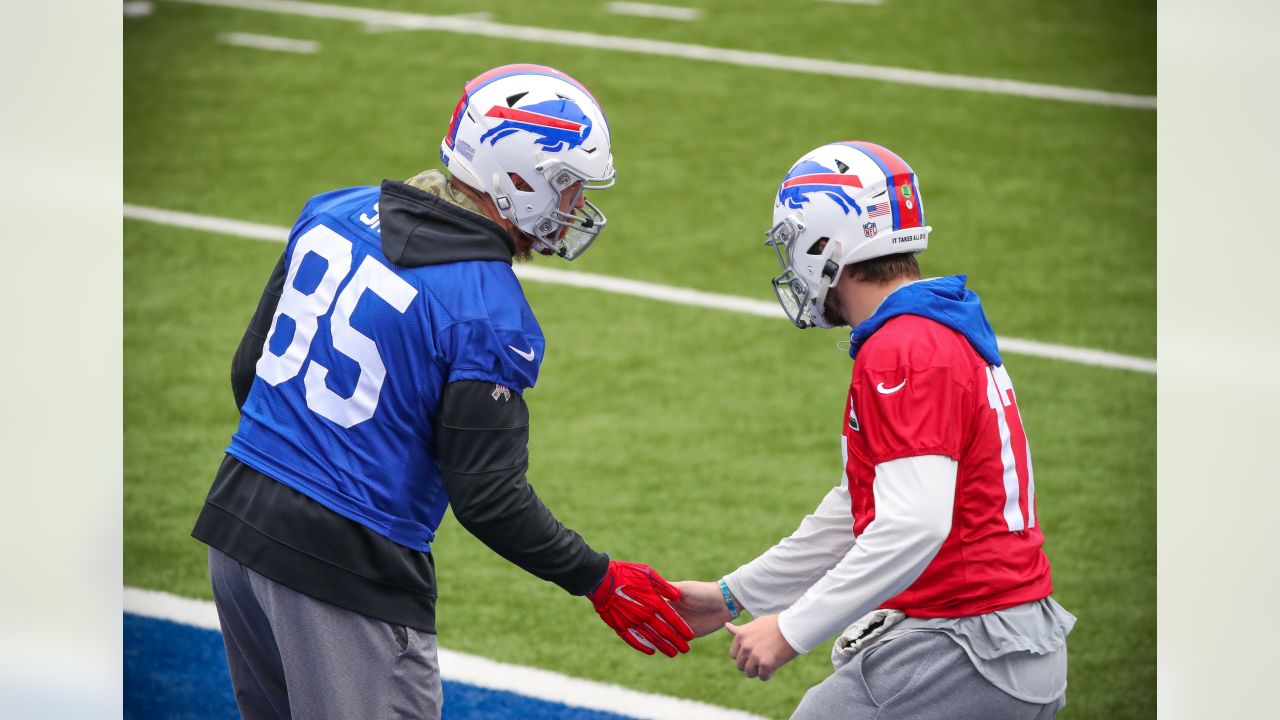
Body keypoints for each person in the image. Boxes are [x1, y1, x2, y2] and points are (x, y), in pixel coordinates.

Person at [191, 64, 692, 720]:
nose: (574, 206)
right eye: (566, 186)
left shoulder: (331, 211)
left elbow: (247, 372)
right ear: (518, 178)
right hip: (347, 570)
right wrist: (596, 577)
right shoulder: (488, 309)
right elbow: (487, 498)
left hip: (235, 528)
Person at [672, 141, 1075, 719]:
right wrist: (733, 594)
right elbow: (859, 508)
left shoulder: (904, 348)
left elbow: (913, 523)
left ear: (825, 244)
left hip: (972, 648)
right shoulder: (928, 325)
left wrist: (790, 629)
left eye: (794, 242)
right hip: (1000, 645)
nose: (791, 263)